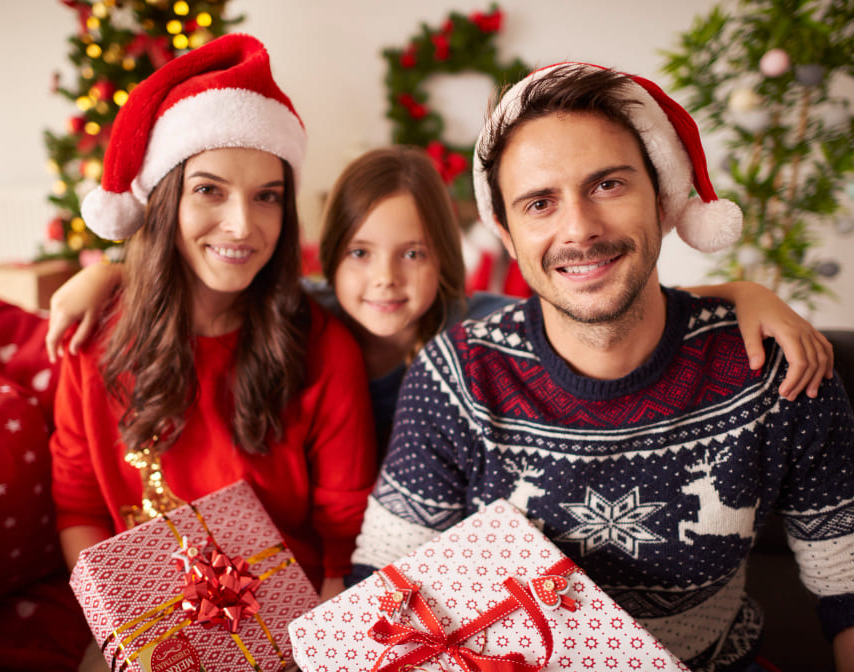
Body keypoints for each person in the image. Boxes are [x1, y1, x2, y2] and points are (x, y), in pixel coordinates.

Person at [350, 63, 854, 671]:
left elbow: (846, 582)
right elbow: (383, 584)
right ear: (508, 236)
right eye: (539, 203)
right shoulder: (456, 375)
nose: (579, 230)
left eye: (608, 186)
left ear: (663, 197)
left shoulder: (777, 369)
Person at [48, 148, 833, 453]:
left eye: (414, 254)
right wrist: (108, 272)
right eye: (359, 253)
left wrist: (738, 292)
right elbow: (209, 276)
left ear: (446, 263)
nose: (384, 281)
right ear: (329, 257)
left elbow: (600, 305)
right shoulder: (308, 313)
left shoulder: (485, 327)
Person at [48, 32, 377, 615]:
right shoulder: (90, 337)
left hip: (286, 622)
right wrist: (133, 629)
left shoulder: (323, 350)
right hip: (143, 623)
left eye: (268, 196)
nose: (242, 225)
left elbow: (344, 537)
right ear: (162, 200)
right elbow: (80, 508)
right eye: (209, 191)